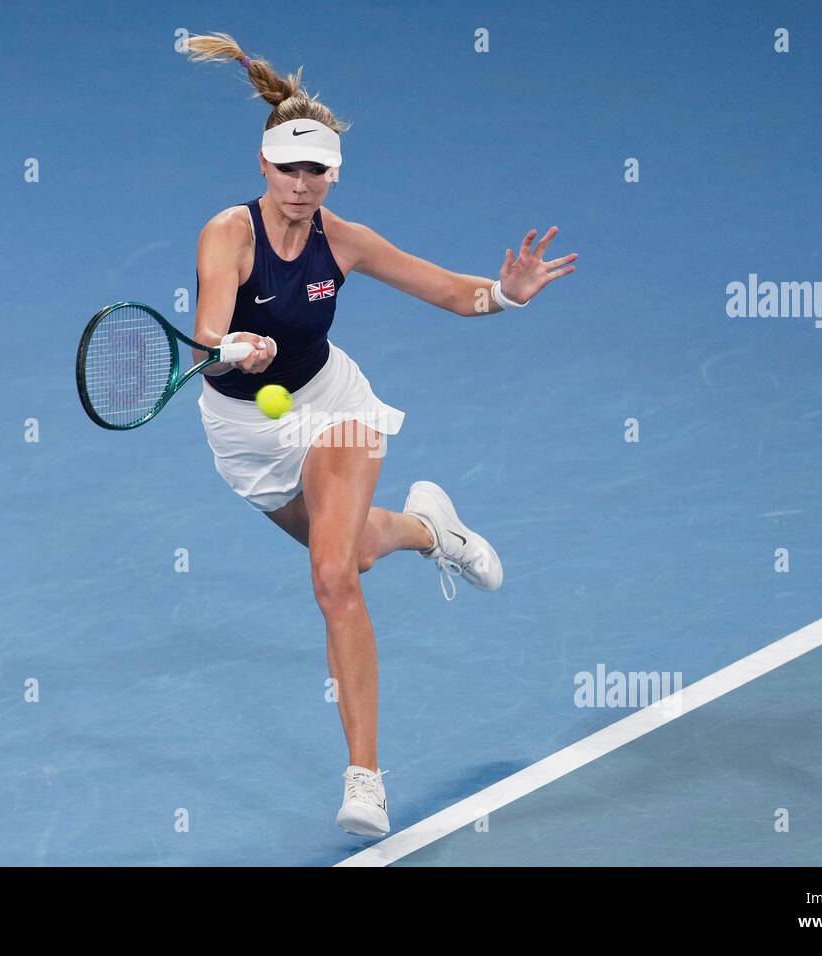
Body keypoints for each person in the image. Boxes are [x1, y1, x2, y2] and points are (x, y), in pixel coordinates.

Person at [183, 32, 577, 837]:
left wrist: (506, 295)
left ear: (333, 174)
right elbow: (203, 340)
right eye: (288, 169)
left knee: (332, 577)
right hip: (246, 435)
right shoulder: (228, 234)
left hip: (335, 409)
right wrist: (229, 351)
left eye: (316, 171)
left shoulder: (346, 241)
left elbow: (447, 293)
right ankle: (432, 529)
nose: (301, 185)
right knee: (358, 549)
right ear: (263, 165)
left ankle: (365, 778)